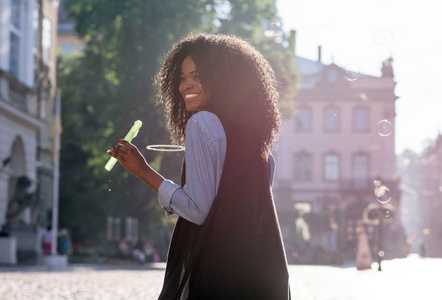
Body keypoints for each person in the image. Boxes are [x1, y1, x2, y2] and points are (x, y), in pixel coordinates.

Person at [107, 34, 290, 299]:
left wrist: (143, 171)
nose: (185, 85)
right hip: (265, 270)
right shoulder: (256, 138)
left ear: (222, 78)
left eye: (197, 75)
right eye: (182, 77)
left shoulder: (201, 123)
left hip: (221, 272)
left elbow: (197, 210)